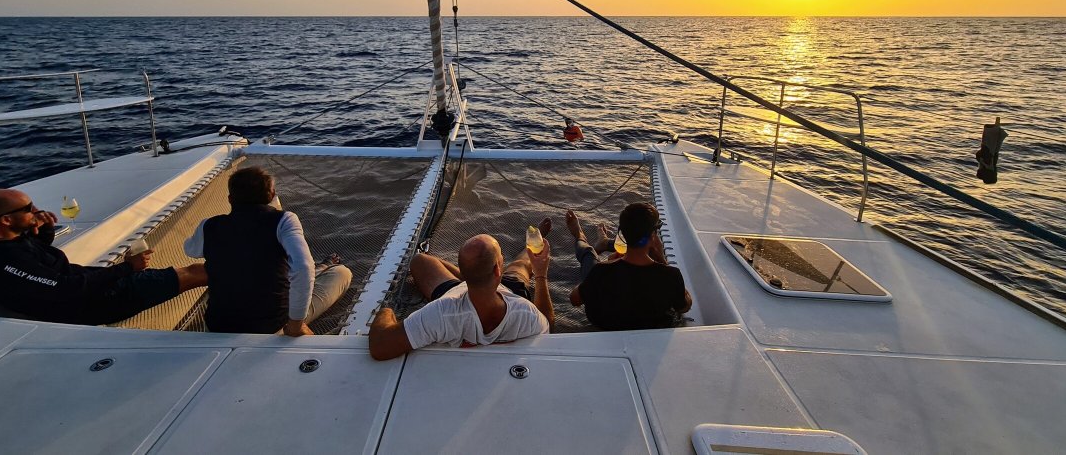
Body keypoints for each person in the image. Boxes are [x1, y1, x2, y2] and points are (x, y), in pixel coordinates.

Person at [0, 188, 207, 325]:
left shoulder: (2, 241)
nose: (36, 212)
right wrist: (128, 268)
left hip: (94, 286)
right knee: (196, 273)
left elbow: (37, 260)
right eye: (28, 209)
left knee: (192, 271)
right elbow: (63, 289)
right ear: (6, 220)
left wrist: (46, 229)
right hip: (93, 303)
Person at [184, 166, 352, 336]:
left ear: (230, 199)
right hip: (272, 328)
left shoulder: (209, 226)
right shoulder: (284, 220)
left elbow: (190, 249)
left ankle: (320, 269)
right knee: (342, 273)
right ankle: (321, 271)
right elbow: (303, 267)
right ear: (271, 196)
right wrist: (296, 325)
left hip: (217, 327)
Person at [369, 225, 554, 360]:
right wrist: (541, 275)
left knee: (419, 260)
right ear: (498, 270)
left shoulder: (441, 313)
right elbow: (548, 326)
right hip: (509, 289)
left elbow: (380, 346)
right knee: (520, 266)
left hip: (458, 291)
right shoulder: (524, 313)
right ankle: (535, 252)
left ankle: (525, 254)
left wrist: (386, 311)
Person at [568, 203, 692, 330]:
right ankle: (603, 242)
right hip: (648, 338)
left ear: (623, 235)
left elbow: (574, 299)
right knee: (591, 260)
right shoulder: (670, 275)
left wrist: (596, 275)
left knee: (588, 256)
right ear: (653, 237)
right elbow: (685, 306)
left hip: (608, 332)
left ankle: (580, 236)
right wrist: (661, 259)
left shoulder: (601, 271)